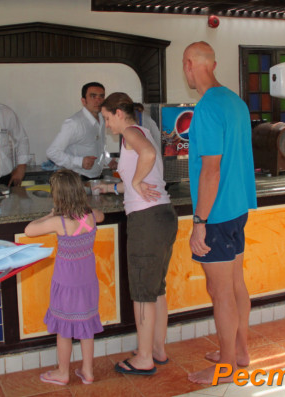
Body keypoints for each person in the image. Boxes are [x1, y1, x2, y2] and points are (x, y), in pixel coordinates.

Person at [182, 41, 257, 385]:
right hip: (237, 208)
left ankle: (226, 367)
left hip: (217, 214)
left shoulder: (207, 107)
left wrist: (199, 222)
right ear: (212, 64)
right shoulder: (235, 102)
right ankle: (240, 352)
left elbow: (211, 171)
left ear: (189, 65)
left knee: (220, 291)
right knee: (236, 284)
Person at [96, 92, 178, 376]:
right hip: (162, 215)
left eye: (107, 118)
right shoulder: (141, 132)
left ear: (119, 113)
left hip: (147, 220)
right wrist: (112, 188)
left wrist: (136, 180)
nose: (107, 125)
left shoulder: (131, 132)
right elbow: (142, 176)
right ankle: (156, 349)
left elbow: (148, 156)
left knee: (143, 291)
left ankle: (144, 358)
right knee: (156, 288)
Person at [24, 169, 105, 386]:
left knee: (64, 329)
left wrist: (49, 215)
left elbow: (29, 230)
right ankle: (88, 371)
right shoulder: (91, 216)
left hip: (66, 283)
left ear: (58, 196)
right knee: (86, 326)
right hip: (88, 282)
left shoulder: (59, 222)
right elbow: (101, 215)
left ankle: (63, 372)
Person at [46, 82, 112, 179]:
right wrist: (80, 162)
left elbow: (98, 147)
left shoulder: (102, 119)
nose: (98, 100)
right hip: (77, 178)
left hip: (96, 177)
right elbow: (52, 152)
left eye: (101, 96)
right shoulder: (74, 123)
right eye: (93, 96)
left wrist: (108, 160)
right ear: (83, 101)